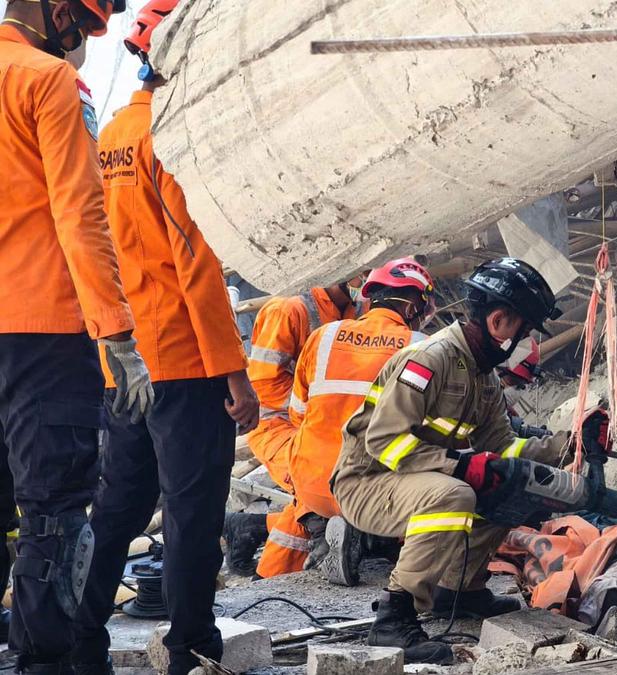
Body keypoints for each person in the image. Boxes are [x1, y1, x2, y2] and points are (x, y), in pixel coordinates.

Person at [70, 5, 259, 672]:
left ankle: (79, 634)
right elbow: (195, 265)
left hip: (127, 362)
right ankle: (191, 649)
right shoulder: (171, 139)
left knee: (116, 508)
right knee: (192, 512)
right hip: (184, 362)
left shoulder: (115, 133)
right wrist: (235, 373)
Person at [330, 258, 609, 664]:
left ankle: (459, 590)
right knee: (455, 494)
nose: (525, 341)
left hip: (414, 480)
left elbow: (504, 448)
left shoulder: (483, 377)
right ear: (499, 321)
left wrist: (571, 443)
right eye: (524, 330)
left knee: (510, 485)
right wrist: (461, 466)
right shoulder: (430, 360)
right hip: (367, 482)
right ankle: (394, 616)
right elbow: (384, 441)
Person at [0, 0, 159, 672]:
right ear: (57, 8)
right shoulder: (50, 81)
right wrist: (117, 334)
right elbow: (80, 212)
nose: (86, 40)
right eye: (85, 25)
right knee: (55, 521)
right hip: (43, 332)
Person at [254, 258, 436, 583]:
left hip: (311, 466)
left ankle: (272, 570)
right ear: (412, 308)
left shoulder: (327, 332)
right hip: (275, 425)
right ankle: (357, 533)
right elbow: (264, 389)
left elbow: (301, 412)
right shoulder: (421, 347)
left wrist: (327, 411)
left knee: (307, 494)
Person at [222, 271, 367, 575]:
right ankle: (272, 575)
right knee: (314, 485)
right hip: (275, 424)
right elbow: (264, 388)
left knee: (319, 494)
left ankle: (255, 535)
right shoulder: (287, 311)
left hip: (320, 426)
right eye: (364, 274)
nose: (367, 282)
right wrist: (322, 406)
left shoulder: (358, 312)